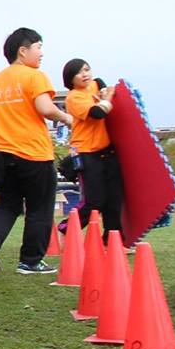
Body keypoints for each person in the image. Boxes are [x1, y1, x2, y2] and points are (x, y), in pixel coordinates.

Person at [0, 28, 67, 276]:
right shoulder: (34, 76)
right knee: (39, 208)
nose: (41, 53)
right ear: (23, 50)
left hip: (2, 155)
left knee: (8, 206)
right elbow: (45, 108)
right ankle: (30, 261)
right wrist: (67, 118)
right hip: (34, 153)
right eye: (38, 46)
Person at [61, 58, 123, 237]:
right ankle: (66, 229)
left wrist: (103, 91)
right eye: (79, 72)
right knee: (95, 200)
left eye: (87, 69)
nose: (85, 74)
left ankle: (113, 239)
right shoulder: (74, 97)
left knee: (114, 197)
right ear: (71, 79)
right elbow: (97, 113)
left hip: (107, 151)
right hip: (86, 153)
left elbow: (100, 82)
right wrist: (108, 98)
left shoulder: (93, 85)